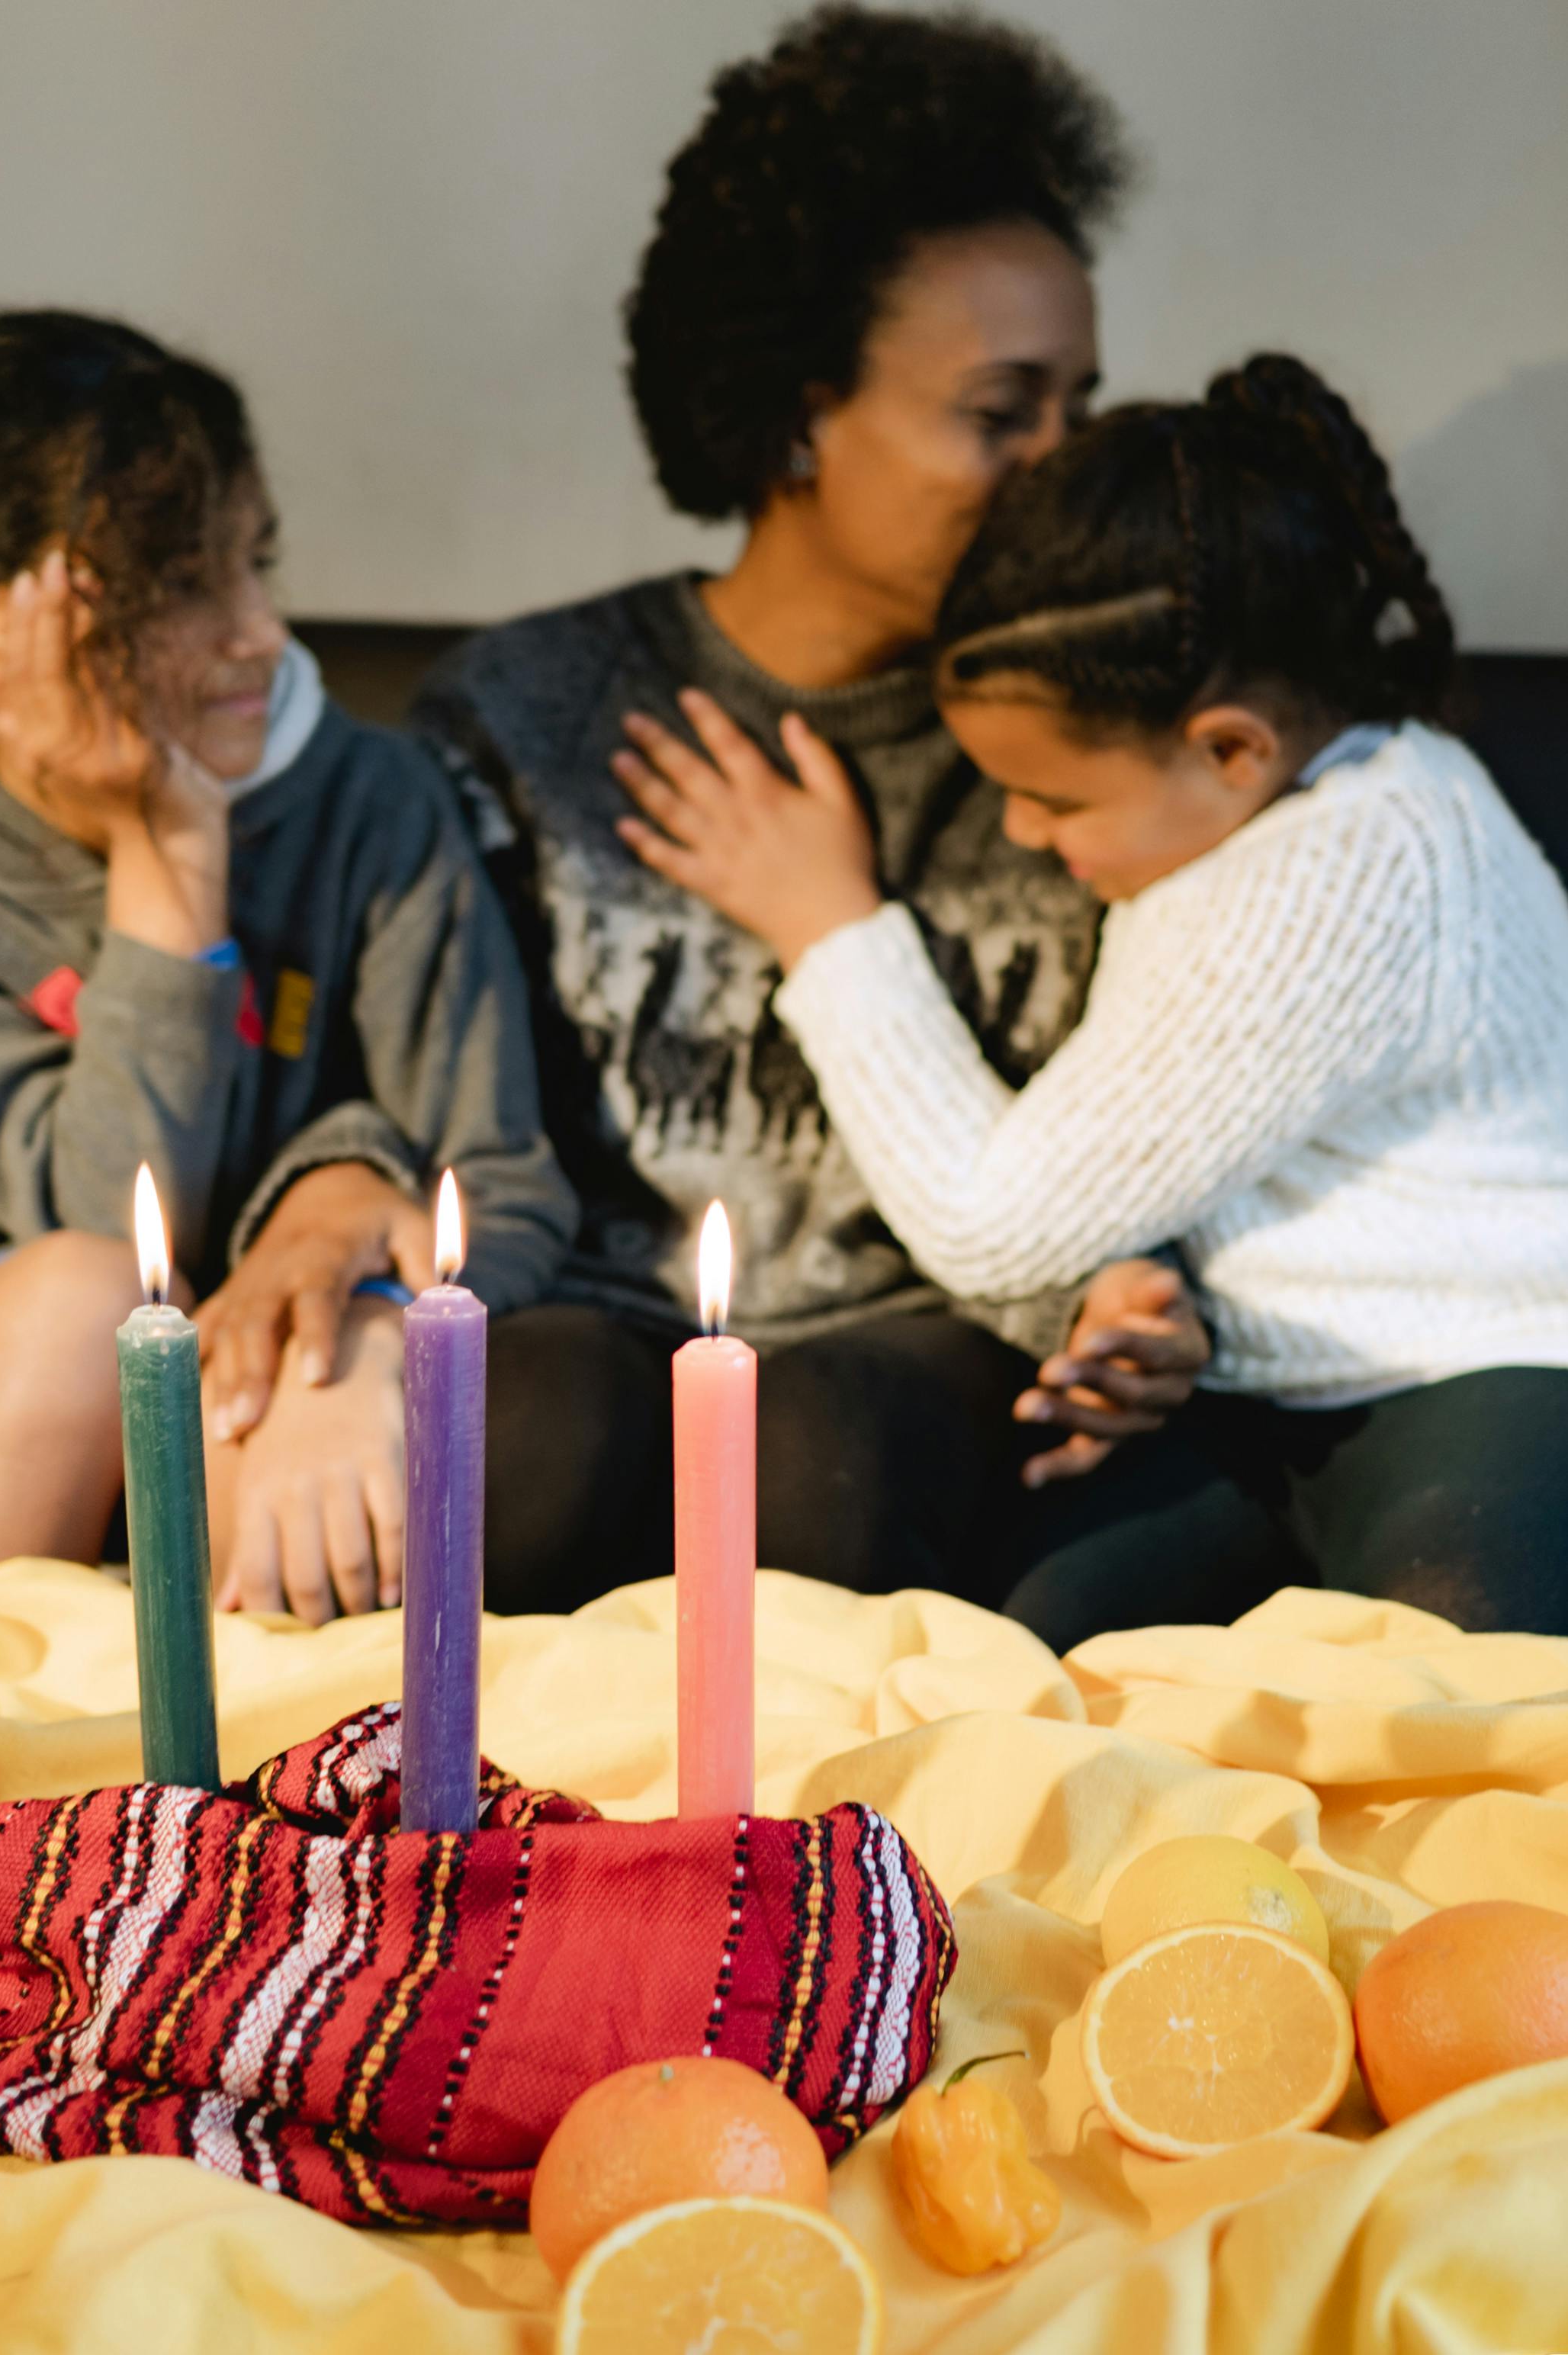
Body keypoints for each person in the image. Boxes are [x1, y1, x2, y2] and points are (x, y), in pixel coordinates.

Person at [416, 3, 1209, 1611]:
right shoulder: (526, 717)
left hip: (902, 1353)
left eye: (1084, 403)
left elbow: (1168, 1119)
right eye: (1004, 414)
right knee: (535, 1425)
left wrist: (1138, 1293)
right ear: (793, 414)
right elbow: (405, 1096)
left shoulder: (1114, 754)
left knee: (820, 1459)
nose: (1065, 467)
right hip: (578, 1314)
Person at [614, 350, 1568, 1643]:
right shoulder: (1270, 807)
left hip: (1483, 1367)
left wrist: (825, 925)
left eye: (1057, 798)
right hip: (1248, 1404)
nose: (1019, 831)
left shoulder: (1347, 868)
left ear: (1233, 747)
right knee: (1043, 1645)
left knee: (1460, 1671)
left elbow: (994, 1221)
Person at [0, 310, 574, 1621]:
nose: (258, 631)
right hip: (31, 1406)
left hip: (238, 1411)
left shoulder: (374, 802)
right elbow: (94, 1236)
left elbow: (500, 1182)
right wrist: (164, 869)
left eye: (256, 564)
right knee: (87, 1298)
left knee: (282, 1431)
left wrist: (363, 1312)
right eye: (180, 587)